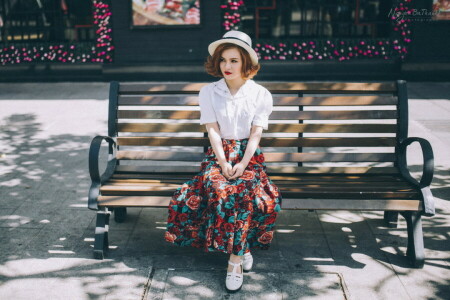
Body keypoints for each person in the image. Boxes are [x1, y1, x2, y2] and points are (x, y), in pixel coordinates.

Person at [164, 30, 282, 293]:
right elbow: (213, 131)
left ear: (246, 64)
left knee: (246, 191)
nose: (227, 66)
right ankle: (244, 247)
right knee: (220, 189)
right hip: (218, 155)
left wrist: (242, 164)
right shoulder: (209, 92)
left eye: (234, 61)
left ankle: (234, 262)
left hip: (249, 156)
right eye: (223, 60)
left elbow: (255, 134)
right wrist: (223, 163)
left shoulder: (260, 94)